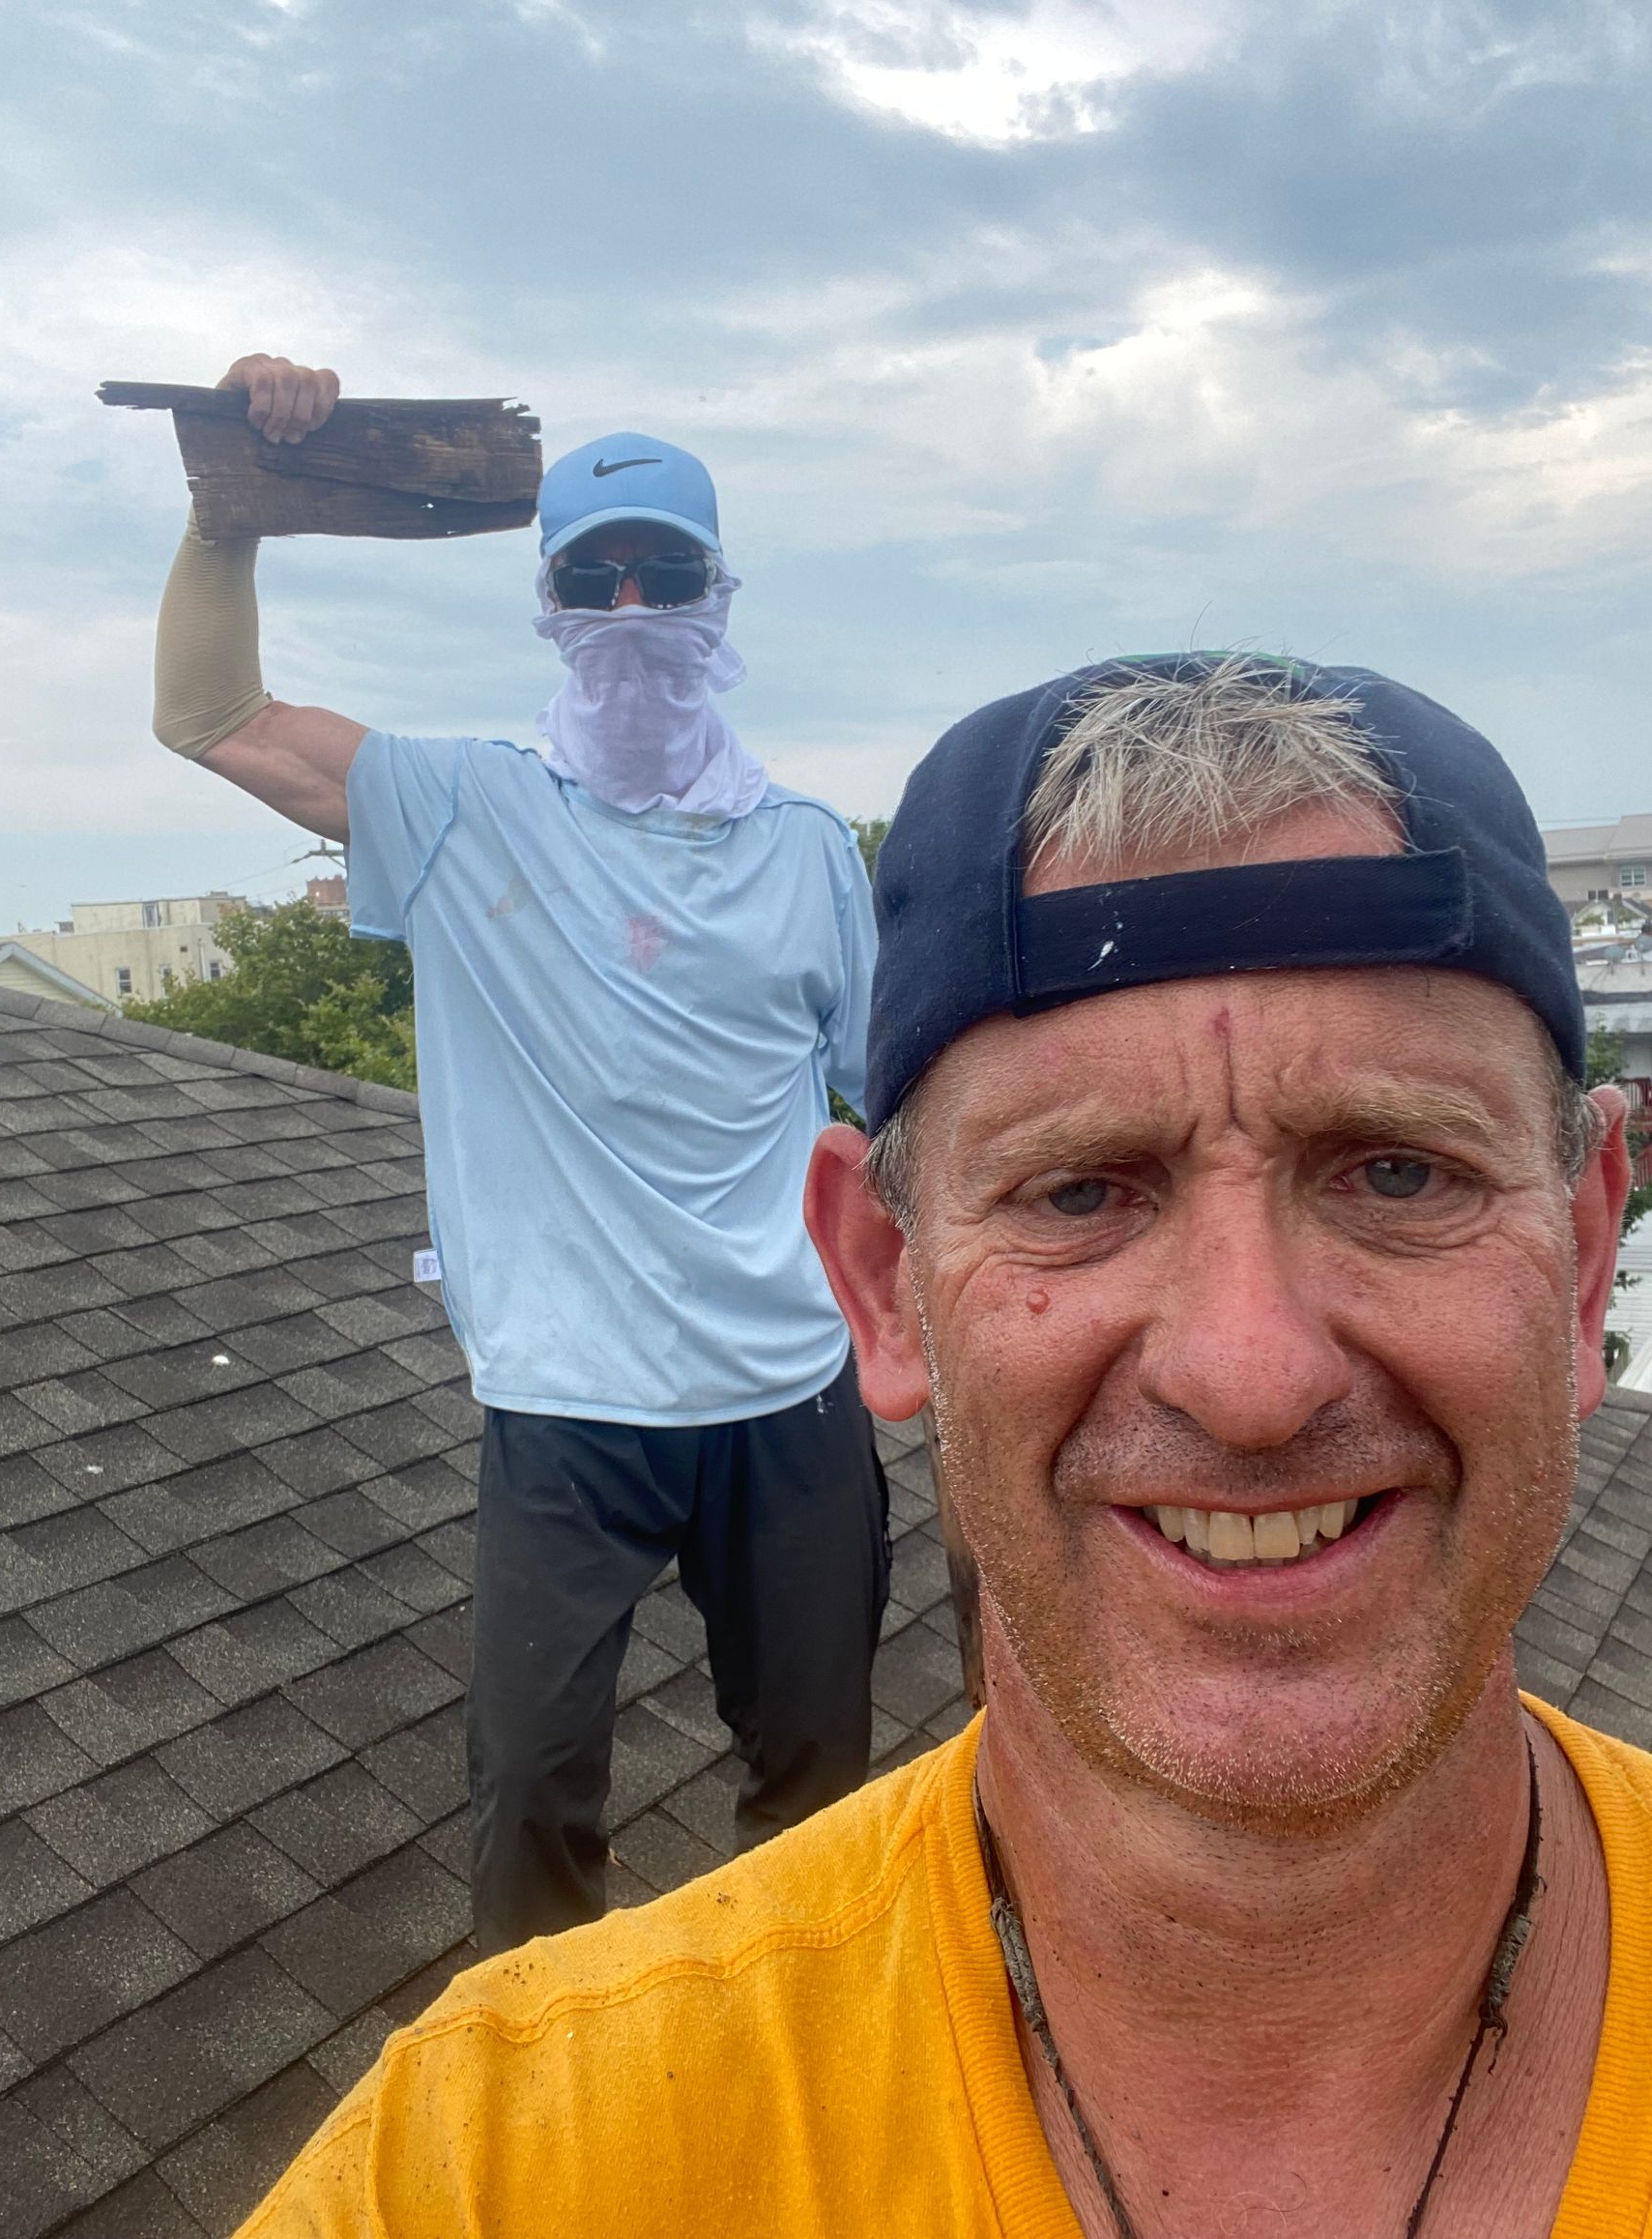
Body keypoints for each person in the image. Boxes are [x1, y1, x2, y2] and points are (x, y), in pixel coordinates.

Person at [235, 650, 1650, 2239]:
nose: (1251, 1375)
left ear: (1588, 1250)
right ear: (884, 1288)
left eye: (1397, 1175)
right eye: (1079, 1191)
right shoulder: (494, 2167)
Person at [153, 354, 889, 1952]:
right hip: (566, 1405)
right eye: (592, 579)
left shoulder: (807, 851)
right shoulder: (459, 809)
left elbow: (890, 1125)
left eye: (664, 576)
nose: (631, 609)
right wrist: (232, 504)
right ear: (548, 604)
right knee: (533, 1796)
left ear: (718, 594)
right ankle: (551, 2104)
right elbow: (206, 711)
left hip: (788, 1394)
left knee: (819, 1791)